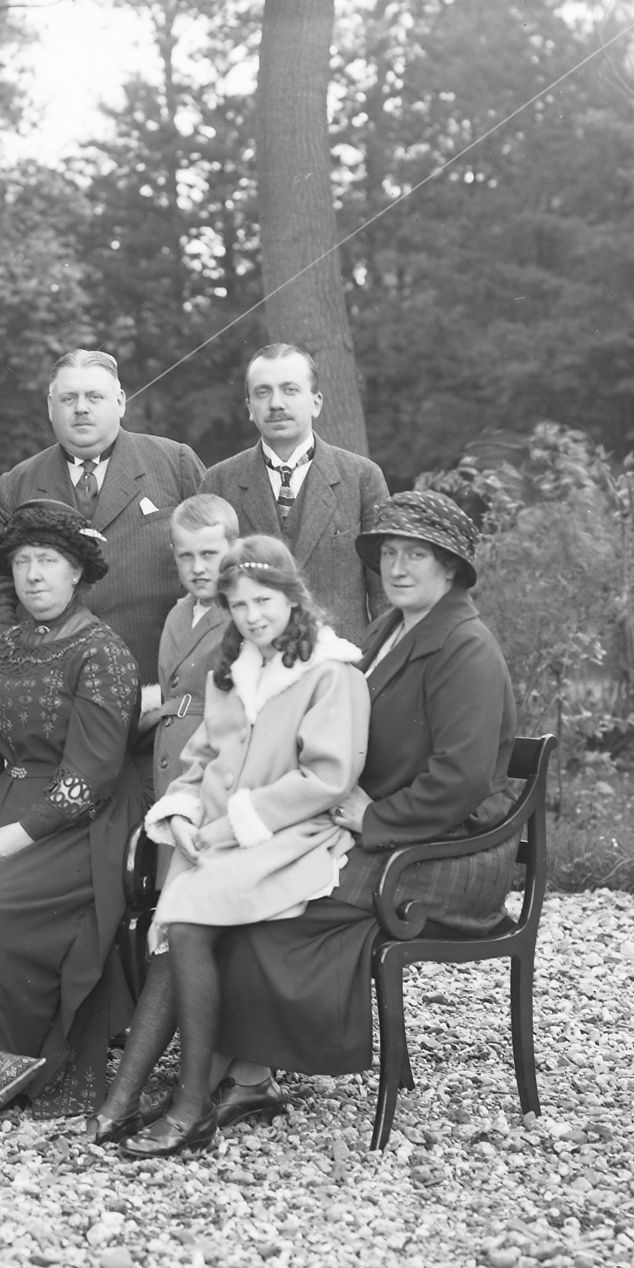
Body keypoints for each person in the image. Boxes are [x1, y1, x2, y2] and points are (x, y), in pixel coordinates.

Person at [207, 491, 518, 1108]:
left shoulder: (466, 647)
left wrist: (375, 817)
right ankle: (222, 1074)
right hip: (395, 833)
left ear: (451, 567)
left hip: (451, 855)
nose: (397, 568)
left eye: (416, 555)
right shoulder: (390, 629)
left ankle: (245, 1077)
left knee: (275, 899)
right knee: (244, 884)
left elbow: (461, 779)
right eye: (390, 553)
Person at [92, 536, 369, 1159]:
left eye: (264, 601)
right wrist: (183, 812)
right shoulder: (231, 671)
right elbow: (200, 762)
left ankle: (190, 1104)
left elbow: (326, 780)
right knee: (178, 924)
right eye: (239, 605)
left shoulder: (331, 673)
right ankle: (123, 1101)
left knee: (185, 923)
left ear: (294, 598)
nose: (252, 616)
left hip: (295, 837)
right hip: (223, 840)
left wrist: (228, 827)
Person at [0, 500, 149, 1115]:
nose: (32, 575)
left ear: (76, 571)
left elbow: (90, 778)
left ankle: (18, 1058)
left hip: (84, 825)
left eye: (48, 561)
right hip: (3, 812)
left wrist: (5, 842)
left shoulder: (102, 652)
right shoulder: (7, 646)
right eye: (22, 562)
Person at [0, 349, 205, 731]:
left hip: (161, 696)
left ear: (120, 402)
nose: (81, 408)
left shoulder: (174, 463)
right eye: (69, 398)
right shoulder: (18, 484)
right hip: (54, 704)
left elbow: (217, 568)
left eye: (94, 397)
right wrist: (13, 678)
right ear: (51, 407)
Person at [200, 344, 389, 643]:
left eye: (290, 390)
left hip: (341, 660)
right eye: (263, 392)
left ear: (316, 402)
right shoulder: (219, 482)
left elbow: (384, 596)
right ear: (249, 407)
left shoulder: (362, 477)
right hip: (252, 659)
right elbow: (210, 592)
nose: (276, 404)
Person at [142, 494, 239, 883]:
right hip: (171, 757)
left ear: (233, 549)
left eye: (210, 554)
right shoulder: (178, 612)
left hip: (212, 762)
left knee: (202, 875)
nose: (198, 568)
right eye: (186, 556)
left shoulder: (241, 614)